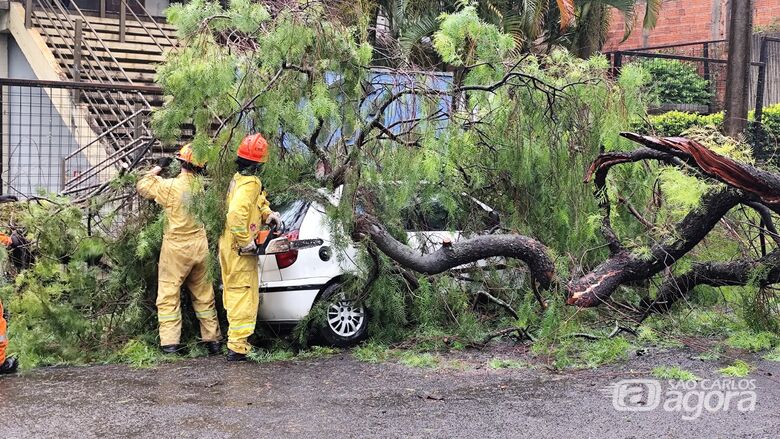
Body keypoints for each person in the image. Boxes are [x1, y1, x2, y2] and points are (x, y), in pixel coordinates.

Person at [137, 144, 222, 355]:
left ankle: (170, 344)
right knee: (204, 295)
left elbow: (143, 186)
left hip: (176, 247)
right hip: (200, 246)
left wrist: (157, 168)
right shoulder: (201, 189)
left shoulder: (171, 187)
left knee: (168, 294)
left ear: (181, 162)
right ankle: (213, 341)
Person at [219, 133, 281, 361]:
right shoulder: (251, 183)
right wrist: (246, 242)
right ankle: (238, 348)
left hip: (228, 245)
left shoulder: (239, 179)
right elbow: (235, 214)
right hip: (238, 249)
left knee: (235, 291)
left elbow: (254, 204)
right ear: (260, 164)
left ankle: (237, 343)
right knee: (242, 294)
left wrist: (267, 214)